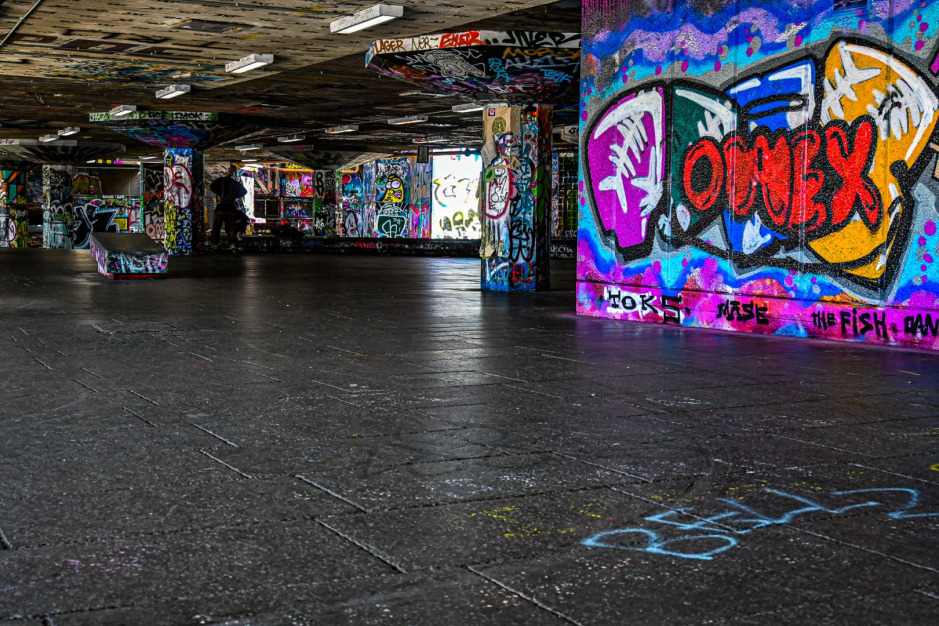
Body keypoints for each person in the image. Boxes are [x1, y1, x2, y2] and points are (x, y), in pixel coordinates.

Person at [210, 165, 248, 249]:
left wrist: (219, 194)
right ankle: (232, 244)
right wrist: (234, 196)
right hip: (230, 208)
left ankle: (214, 243)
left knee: (216, 227)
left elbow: (212, 186)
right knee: (230, 227)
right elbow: (244, 191)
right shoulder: (235, 183)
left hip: (220, 207)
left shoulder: (220, 180)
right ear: (233, 174)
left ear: (226, 172)